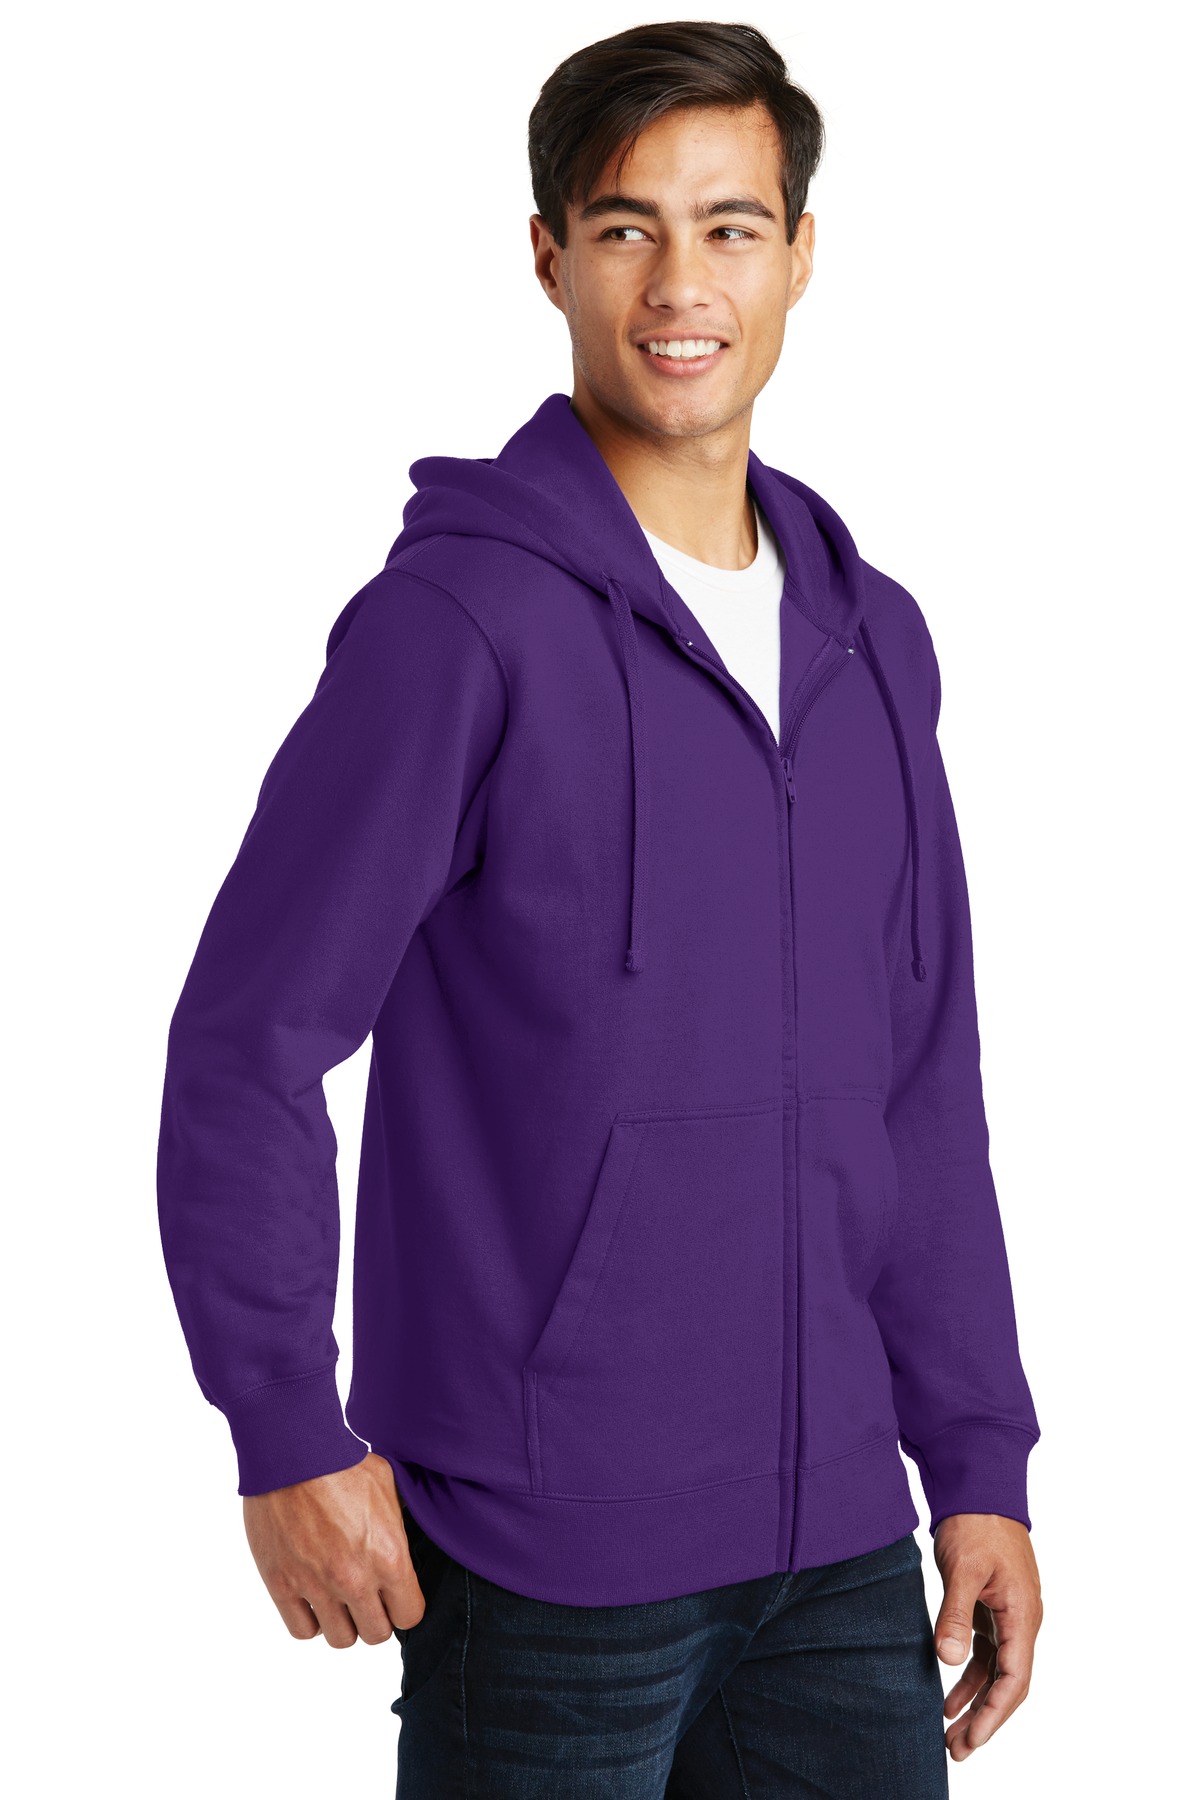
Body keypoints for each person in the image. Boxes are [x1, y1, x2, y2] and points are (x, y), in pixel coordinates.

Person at [156, 20, 1043, 1797]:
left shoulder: (874, 645)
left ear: (801, 255)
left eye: (731, 226)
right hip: (541, 1557)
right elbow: (250, 1040)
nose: (680, 282)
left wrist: (978, 1461)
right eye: (627, 226)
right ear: (549, 254)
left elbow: (922, 1084)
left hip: (840, 1559)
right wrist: (284, 1429)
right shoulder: (456, 628)